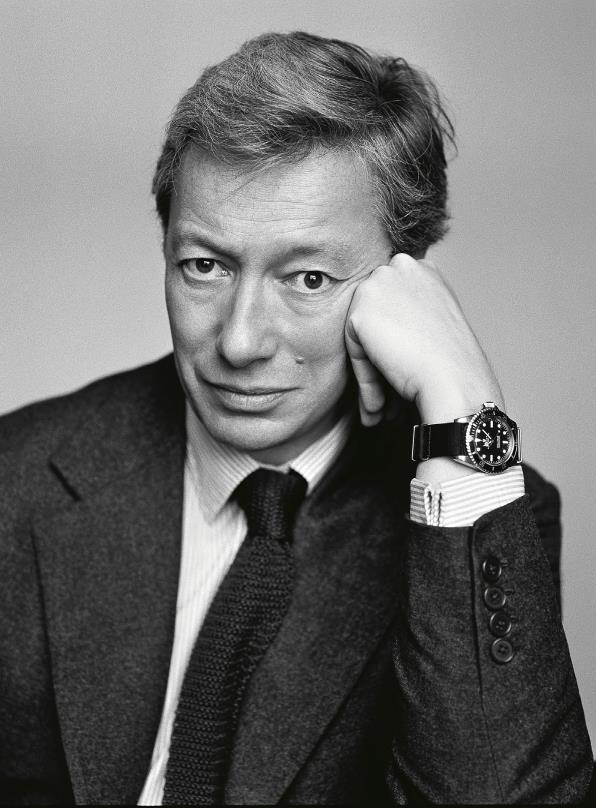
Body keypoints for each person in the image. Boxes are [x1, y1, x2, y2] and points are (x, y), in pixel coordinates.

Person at [0, 31, 592, 805]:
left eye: (308, 278)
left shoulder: (481, 517)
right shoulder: (18, 477)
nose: (240, 341)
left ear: (404, 286)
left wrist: (462, 400)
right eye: (204, 265)